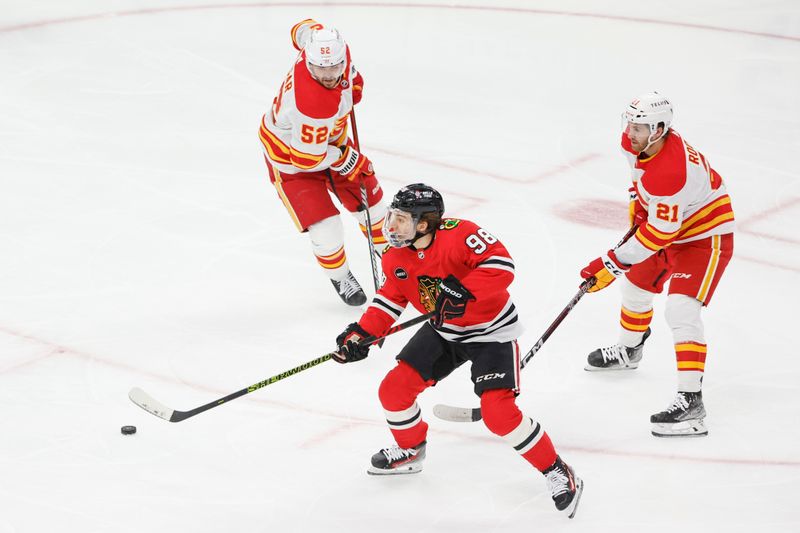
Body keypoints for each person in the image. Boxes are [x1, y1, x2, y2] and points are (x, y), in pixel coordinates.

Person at [333, 184, 584, 518]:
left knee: (498, 414)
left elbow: (502, 266)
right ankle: (410, 450)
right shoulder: (395, 256)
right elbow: (390, 299)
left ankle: (556, 469)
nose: (392, 227)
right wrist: (362, 334)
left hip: (491, 332)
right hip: (444, 332)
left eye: (402, 221)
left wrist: (465, 289)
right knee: (393, 391)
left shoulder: (460, 234)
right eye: (393, 217)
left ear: (425, 224)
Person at [580, 92, 735, 438]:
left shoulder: (672, 172)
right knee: (635, 287)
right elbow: (641, 186)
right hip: (668, 224)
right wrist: (638, 209)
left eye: (641, 127)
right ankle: (629, 349)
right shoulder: (638, 144)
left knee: (681, 310)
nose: (631, 133)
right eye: (631, 124)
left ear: (661, 129)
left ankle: (691, 403)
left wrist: (611, 261)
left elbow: (660, 233)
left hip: (703, 236)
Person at [259, 19, 386, 306]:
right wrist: (345, 159)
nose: (329, 75)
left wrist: (352, 85)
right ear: (308, 63)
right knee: (326, 229)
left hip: (329, 141)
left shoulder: (319, 44)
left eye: (334, 68)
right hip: (292, 161)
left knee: (374, 209)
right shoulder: (312, 104)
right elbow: (305, 159)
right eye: (321, 70)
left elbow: (299, 28)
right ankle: (340, 276)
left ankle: (394, 262)